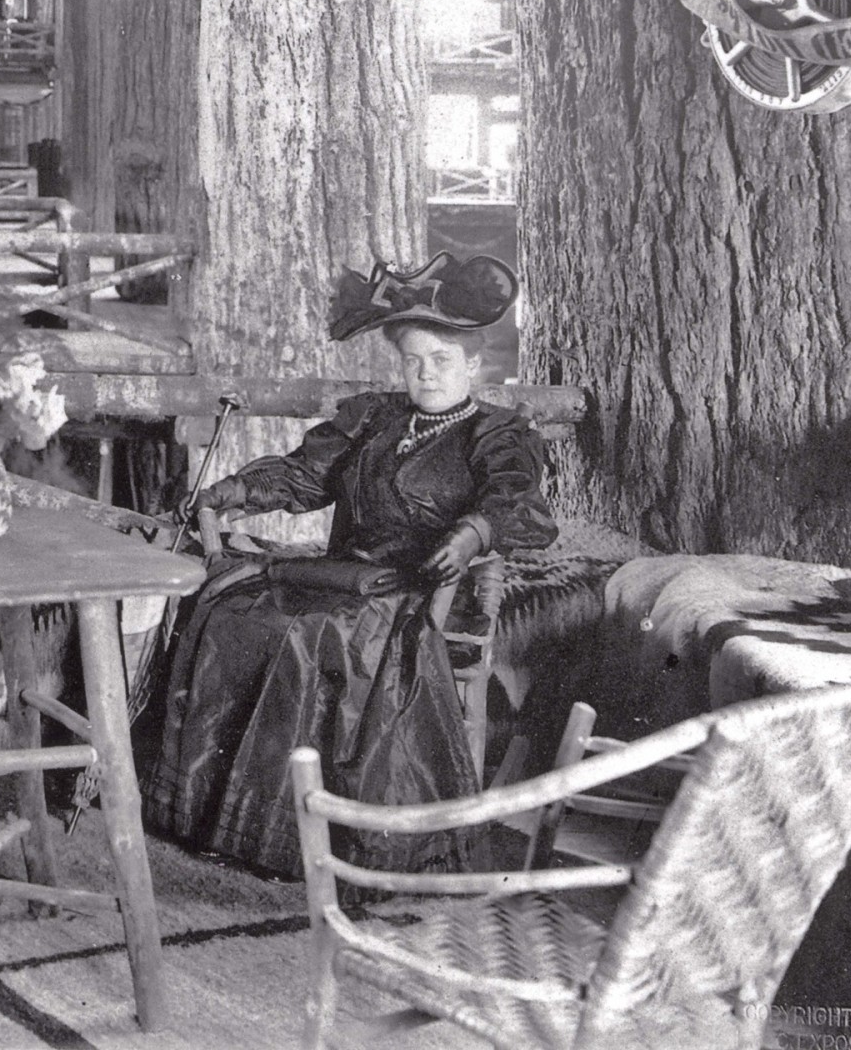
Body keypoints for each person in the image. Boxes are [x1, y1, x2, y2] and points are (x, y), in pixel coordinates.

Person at [144, 252, 556, 878]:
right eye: (413, 361)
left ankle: (311, 836)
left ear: (475, 363)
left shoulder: (498, 434)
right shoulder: (376, 417)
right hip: (343, 577)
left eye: (442, 361)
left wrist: (472, 533)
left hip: (423, 591)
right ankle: (219, 819)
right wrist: (233, 492)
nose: (426, 374)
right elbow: (305, 477)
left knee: (312, 638)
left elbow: (515, 503)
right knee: (229, 609)